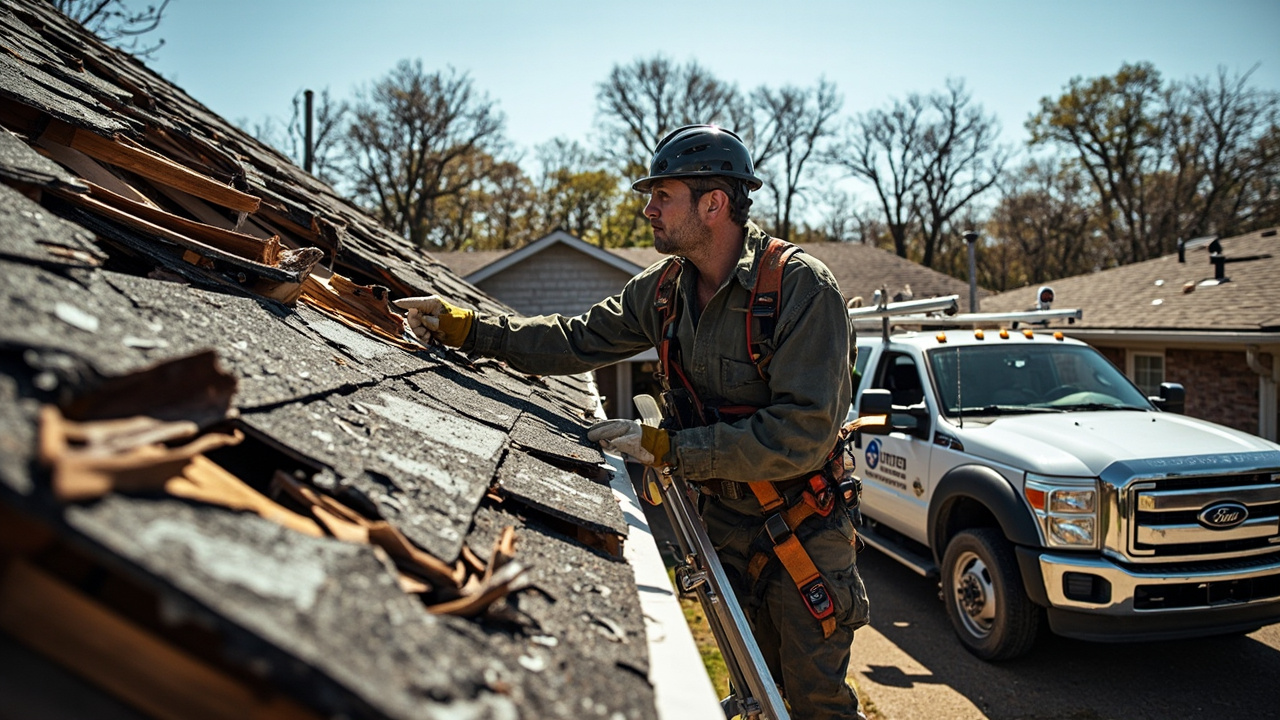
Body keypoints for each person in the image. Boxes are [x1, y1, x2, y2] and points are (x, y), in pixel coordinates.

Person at [396, 125, 869, 720]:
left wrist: (671, 447)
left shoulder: (800, 289)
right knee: (757, 697)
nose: (647, 209)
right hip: (724, 529)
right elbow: (577, 339)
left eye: (661, 195)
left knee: (814, 703)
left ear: (713, 203)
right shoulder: (664, 291)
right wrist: (472, 330)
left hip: (805, 530)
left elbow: (801, 434)